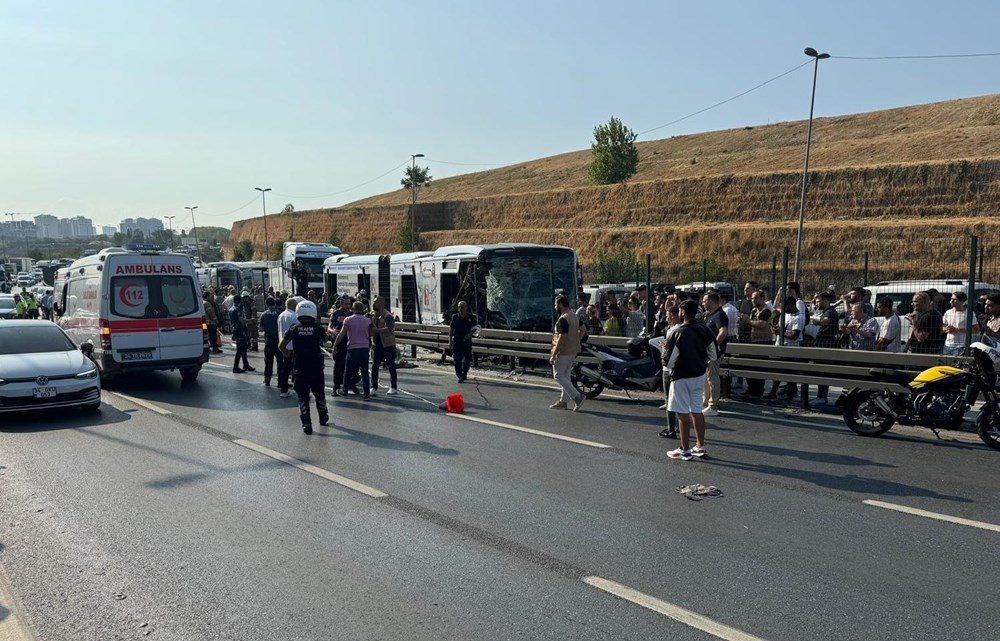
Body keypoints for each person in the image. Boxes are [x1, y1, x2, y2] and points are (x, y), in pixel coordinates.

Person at [664, 299, 717, 461]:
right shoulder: (705, 330)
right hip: (699, 375)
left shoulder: (676, 332)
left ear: (683, 312)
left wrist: (663, 350)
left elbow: (668, 361)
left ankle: (684, 449)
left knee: (682, 412)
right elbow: (714, 354)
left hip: (680, 376)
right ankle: (700, 445)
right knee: (697, 410)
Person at [279, 300, 329, 435]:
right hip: (316, 367)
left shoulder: (294, 328)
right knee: (319, 394)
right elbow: (326, 339)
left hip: (299, 367)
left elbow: (281, 346)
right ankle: (323, 417)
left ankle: (306, 423)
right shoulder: (317, 328)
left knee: (303, 396)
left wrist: (289, 355)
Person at [549, 294, 585, 411]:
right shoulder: (574, 316)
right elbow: (583, 329)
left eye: (555, 304)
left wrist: (554, 354)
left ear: (560, 304)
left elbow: (562, 337)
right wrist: (576, 340)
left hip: (563, 352)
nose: (555, 307)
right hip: (573, 350)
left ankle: (577, 396)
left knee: (558, 376)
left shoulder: (563, 318)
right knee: (566, 376)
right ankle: (563, 402)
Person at [334, 301, 373, 399]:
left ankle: (345, 390)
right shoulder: (367, 320)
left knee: (348, 371)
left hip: (352, 348)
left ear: (353, 309)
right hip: (364, 348)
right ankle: (366, 394)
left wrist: (335, 345)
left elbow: (342, 333)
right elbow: (372, 333)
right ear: (363, 309)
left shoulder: (348, 320)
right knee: (364, 372)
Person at [701, 292, 728, 416]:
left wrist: (713, 346)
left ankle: (713, 405)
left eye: (705, 301)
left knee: (712, 378)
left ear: (711, 301)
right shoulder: (711, 315)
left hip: (713, 353)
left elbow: (723, 332)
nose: (703, 303)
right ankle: (706, 402)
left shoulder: (720, 315)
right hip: (708, 352)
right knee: (707, 378)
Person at [659, 305, 681, 437]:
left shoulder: (672, 330)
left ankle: (671, 428)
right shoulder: (684, 328)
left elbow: (668, 352)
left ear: (673, 315)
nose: (666, 318)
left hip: (668, 368)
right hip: (680, 368)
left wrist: (663, 348)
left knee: (669, 399)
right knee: (680, 400)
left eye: (667, 315)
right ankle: (680, 426)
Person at [370, 296, 398, 395]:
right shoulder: (371, 315)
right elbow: (368, 324)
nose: (374, 304)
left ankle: (393, 387)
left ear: (382, 304)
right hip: (376, 344)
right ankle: (373, 387)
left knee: (391, 366)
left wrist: (376, 330)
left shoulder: (388, 315)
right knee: (374, 366)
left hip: (388, 344)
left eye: (376, 302)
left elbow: (389, 328)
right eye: (373, 302)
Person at [327, 296, 351, 394]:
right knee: (338, 365)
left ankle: (348, 385)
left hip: (349, 341)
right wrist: (333, 331)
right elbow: (329, 327)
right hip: (338, 341)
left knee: (349, 365)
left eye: (349, 304)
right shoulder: (336, 314)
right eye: (346, 304)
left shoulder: (351, 314)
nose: (348, 306)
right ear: (341, 304)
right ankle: (336, 387)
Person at [277, 297, 299, 397]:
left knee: (285, 368)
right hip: (293, 345)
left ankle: (284, 389)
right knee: (296, 368)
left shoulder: (281, 315)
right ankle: (298, 389)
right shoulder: (294, 316)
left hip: (283, 344)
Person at [449, 301, 475, 383]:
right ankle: (459, 375)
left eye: (462, 307)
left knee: (467, 359)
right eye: (459, 307)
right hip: (457, 340)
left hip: (467, 341)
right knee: (457, 359)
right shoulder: (455, 317)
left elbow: (476, 327)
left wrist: (470, 334)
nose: (460, 309)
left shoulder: (470, 317)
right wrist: (450, 341)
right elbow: (451, 329)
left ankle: (465, 372)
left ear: (466, 308)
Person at [260, 297, 282, 387]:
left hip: (268, 340)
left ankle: (267, 380)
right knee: (280, 362)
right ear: (274, 304)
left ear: (266, 304)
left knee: (268, 361)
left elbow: (261, 328)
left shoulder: (264, 314)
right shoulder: (279, 314)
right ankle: (280, 381)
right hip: (278, 340)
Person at [230, 295, 254, 373]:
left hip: (235, 330)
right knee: (240, 349)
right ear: (240, 300)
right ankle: (236, 367)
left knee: (243, 348)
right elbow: (242, 321)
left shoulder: (231, 309)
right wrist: (252, 320)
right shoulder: (237, 310)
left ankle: (245, 364)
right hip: (240, 330)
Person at [942, 291, 968, 356]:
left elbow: (975, 330)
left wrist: (958, 330)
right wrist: (946, 329)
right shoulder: (948, 312)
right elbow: (943, 326)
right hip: (947, 345)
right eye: (951, 299)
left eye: (954, 300)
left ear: (962, 301)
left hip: (961, 346)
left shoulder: (968, 313)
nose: (951, 301)